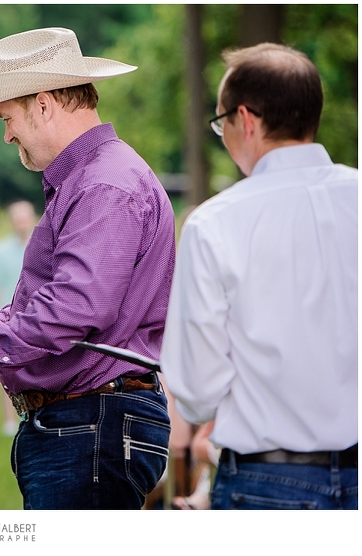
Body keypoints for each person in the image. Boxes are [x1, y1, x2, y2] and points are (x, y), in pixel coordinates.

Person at [0, 27, 176, 510]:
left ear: (43, 106)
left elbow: (72, 308)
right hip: (88, 423)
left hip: (90, 422)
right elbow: (46, 300)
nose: (6, 135)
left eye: (7, 118)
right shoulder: (90, 182)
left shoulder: (104, 185)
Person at [160, 43, 358, 510]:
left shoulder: (214, 223)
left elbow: (197, 389)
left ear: (245, 120)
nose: (223, 135)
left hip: (264, 482)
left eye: (221, 122)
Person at [0, 200, 38, 436]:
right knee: (6, 370)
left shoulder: (42, 248)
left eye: (24, 217)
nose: (21, 223)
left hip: (36, 319)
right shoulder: (0, 251)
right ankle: (8, 421)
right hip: (9, 318)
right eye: (17, 218)